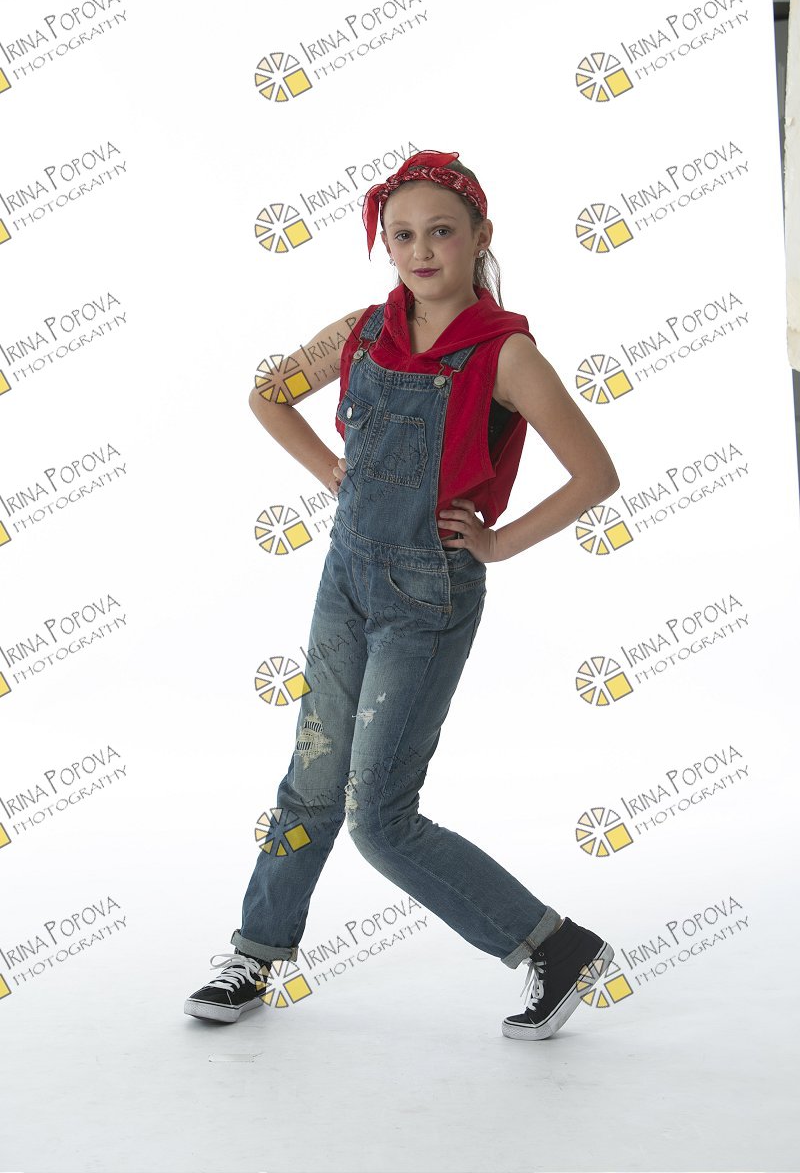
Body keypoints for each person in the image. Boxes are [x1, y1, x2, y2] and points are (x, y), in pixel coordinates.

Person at [184, 149, 619, 1040]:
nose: (421, 251)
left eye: (441, 232)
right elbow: (269, 396)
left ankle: (555, 945)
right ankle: (255, 953)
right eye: (403, 235)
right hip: (345, 578)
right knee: (311, 779)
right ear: (385, 244)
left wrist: (495, 543)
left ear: (480, 237)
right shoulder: (361, 332)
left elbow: (595, 475)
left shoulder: (505, 354)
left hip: (429, 597)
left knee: (379, 819)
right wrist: (332, 471)